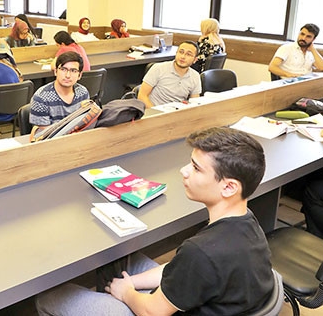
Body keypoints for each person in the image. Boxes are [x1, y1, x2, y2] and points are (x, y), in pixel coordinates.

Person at [36, 126, 274, 316]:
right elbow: (182, 269)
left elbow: (153, 311)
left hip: (157, 310)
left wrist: (127, 293)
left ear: (229, 187)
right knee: (117, 262)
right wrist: (130, 282)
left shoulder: (200, 252)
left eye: (196, 168)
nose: (184, 171)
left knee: (48, 298)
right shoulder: (247, 223)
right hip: (207, 300)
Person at [30, 51, 89, 129]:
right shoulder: (41, 98)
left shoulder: (83, 93)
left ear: (79, 75)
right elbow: (44, 132)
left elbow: (85, 123)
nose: (68, 75)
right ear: (55, 71)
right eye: (63, 69)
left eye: (73, 71)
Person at [138, 41, 201, 108]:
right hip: (154, 110)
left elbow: (195, 103)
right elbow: (142, 95)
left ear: (195, 60)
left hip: (177, 111)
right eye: (181, 52)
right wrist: (155, 112)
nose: (183, 56)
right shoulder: (158, 68)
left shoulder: (195, 76)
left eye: (188, 54)